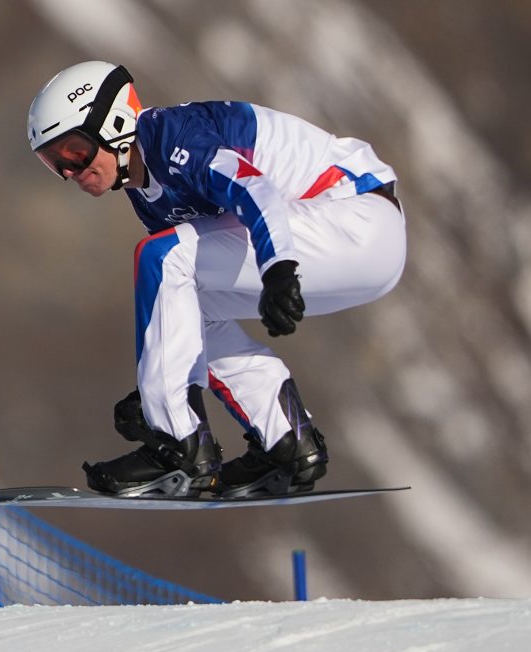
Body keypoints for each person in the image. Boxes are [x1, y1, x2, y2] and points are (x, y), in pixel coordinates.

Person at [27, 61, 405, 498]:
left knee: (163, 257)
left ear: (114, 123)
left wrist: (278, 266)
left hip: (356, 213)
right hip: (360, 248)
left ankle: (179, 447)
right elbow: (177, 310)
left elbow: (252, 188)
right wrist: (157, 382)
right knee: (186, 298)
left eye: (74, 152)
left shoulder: (173, 137)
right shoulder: (146, 193)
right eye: (55, 163)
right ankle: (285, 442)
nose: (71, 171)